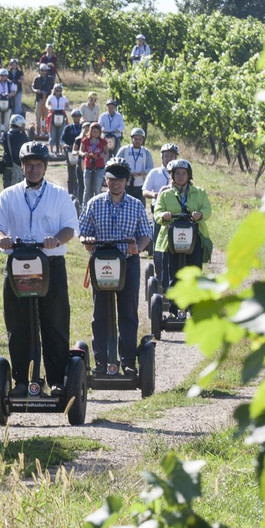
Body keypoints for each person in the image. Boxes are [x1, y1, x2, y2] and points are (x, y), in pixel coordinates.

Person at [0, 141, 80, 396]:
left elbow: (71, 227)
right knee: (18, 324)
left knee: (55, 322)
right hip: (18, 265)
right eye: (29, 165)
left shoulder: (59, 195)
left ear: (45, 167)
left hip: (50, 264)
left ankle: (58, 381)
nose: (34, 169)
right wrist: (1, 239)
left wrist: (57, 239)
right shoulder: (9, 195)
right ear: (23, 167)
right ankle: (23, 381)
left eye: (38, 165)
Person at [79, 158, 153, 377]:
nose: (115, 183)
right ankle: (101, 361)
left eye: (120, 179)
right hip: (101, 262)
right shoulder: (95, 203)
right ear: (106, 179)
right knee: (100, 312)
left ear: (126, 181)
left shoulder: (136, 204)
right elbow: (83, 229)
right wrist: (87, 240)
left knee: (128, 312)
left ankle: (128, 361)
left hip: (127, 262)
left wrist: (136, 249)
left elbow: (146, 235)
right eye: (111, 179)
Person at [153, 159, 212, 312]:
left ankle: (194, 307)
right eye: (177, 173)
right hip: (171, 238)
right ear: (172, 176)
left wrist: (200, 214)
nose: (180, 176)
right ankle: (174, 309)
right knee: (173, 274)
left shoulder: (199, 193)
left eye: (183, 173)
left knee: (194, 272)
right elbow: (157, 213)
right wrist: (163, 216)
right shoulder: (165, 195)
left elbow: (207, 210)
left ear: (188, 175)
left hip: (194, 236)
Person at [143, 142, 179, 289]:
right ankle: (161, 277)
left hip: (177, 214)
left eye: (171, 155)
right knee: (159, 245)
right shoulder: (155, 173)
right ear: (162, 157)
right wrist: (155, 194)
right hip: (159, 212)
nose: (169, 158)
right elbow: (144, 191)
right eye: (166, 156)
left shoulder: (180, 172)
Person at [116, 127, 154, 204]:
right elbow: (116, 163)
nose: (138, 141)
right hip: (125, 183)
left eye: (140, 139)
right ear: (132, 138)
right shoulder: (124, 150)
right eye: (136, 139)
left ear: (143, 140)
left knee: (140, 205)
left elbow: (150, 167)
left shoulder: (146, 152)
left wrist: (143, 172)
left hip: (140, 184)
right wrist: (126, 172)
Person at [80, 122, 108, 206]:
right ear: (90, 131)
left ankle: (98, 206)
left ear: (100, 132)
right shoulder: (85, 140)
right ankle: (84, 207)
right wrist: (84, 154)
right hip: (88, 166)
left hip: (99, 166)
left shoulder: (103, 141)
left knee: (97, 189)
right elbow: (81, 151)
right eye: (94, 131)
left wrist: (102, 155)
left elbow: (106, 152)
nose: (95, 134)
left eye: (97, 132)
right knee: (87, 189)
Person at [0, 68, 19, 143]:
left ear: (7, 76)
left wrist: (9, 94)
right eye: (2, 75)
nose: (3, 77)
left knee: (7, 120)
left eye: (5, 75)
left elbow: (14, 91)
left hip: (7, 103)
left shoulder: (10, 83)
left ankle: (6, 135)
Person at [61, 110, 84, 201]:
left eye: (78, 116)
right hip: (70, 152)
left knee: (80, 173)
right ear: (72, 117)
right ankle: (70, 194)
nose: (76, 118)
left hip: (81, 153)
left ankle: (79, 194)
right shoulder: (68, 128)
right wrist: (64, 144)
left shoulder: (83, 128)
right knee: (71, 173)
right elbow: (62, 139)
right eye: (74, 116)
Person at [4, 113, 30, 186]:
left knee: (7, 190)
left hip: (7, 165)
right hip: (16, 166)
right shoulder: (20, 136)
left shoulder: (5, 135)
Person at [45, 83, 70, 156]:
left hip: (61, 114)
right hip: (53, 114)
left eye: (59, 90)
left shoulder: (64, 98)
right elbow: (47, 104)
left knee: (61, 133)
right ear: (54, 90)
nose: (58, 92)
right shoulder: (51, 97)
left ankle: (60, 150)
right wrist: (49, 107)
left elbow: (67, 105)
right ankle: (52, 151)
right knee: (52, 133)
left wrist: (66, 108)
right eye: (56, 90)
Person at [31, 64, 55, 135]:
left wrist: (50, 93)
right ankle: (38, 130)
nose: (43, 72)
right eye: (42, 70)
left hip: (47, 99)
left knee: (47, 115)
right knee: (38, 114)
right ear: (40, 71)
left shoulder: (50, 79)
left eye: (45, 70)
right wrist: (36, 91)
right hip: (39, 98)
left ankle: (46, 130)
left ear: (47, 71)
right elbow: (33, 87)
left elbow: (52, 88)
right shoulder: (37, 79)